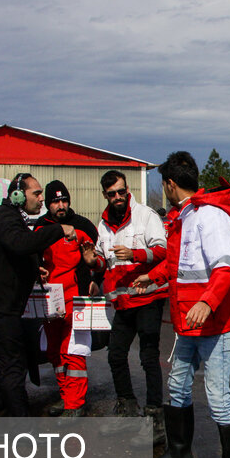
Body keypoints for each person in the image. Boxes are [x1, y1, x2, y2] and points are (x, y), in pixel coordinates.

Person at [133, 151, 230, 458]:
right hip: (188, 323)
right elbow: (178, 265)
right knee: (178, 387)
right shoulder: (186, 216)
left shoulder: (210, 217)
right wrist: (151, 278)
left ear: (170, 183)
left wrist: (206, 302)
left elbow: (225, 268)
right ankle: (180, 453)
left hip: (213, 323)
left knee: (218, 398)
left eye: (163, 185)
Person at [0, 173, 75, 417]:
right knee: (13, 369)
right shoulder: (6, 217)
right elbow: (20, 243)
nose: (41, 199)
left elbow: (9, 255)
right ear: (18, 195)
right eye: (37, 193)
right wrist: (57, 230)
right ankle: (23, 431)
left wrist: (33, 270)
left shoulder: (9, 217)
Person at [91, 170, 169, 438]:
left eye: (121, 191)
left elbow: (163, 250)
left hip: (148, 296)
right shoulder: (102, 225)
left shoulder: (146, 216)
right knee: (115, 355)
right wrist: (93, 262)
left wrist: (135, 253)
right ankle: (127, 408)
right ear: (105, 195)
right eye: (112, 194)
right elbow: (104, 261)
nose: (118, 197)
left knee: (148, 357)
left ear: (127, 190)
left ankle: (155, 418)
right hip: (122, 302)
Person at [34, 180, 101, 421]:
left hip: (77, 297)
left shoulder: (82, 226)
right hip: (50, 298)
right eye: (55, 201)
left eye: (64, 200)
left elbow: (99, 256)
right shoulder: (40, 227)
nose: (61, 206)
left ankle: (75, 404)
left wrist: (97, 279)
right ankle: (65, 396)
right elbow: (32, 256)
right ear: (48, 204)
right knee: (55, 352)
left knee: (73, 351)